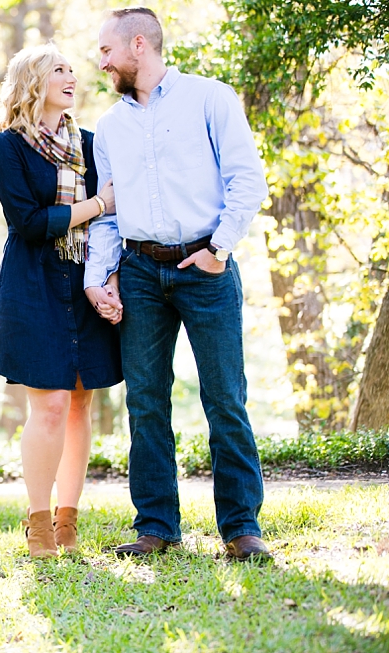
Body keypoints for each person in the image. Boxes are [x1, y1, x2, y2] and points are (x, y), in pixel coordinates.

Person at [85, 7, 272, 561]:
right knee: (144, 403)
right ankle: (156, 527)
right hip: (140, 272)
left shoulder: (210, 98)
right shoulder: (111, 128)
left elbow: (247, 178)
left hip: (205, 269)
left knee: (225, 399)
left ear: (137, 45)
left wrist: (219, 249)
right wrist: (101, 278)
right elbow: (109, 215)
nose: (100, 62)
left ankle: (241, 528)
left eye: (106, 51)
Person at [0, 43, 123, 559]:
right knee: (46, 406)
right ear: (32, 82)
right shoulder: (9, 148)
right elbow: (29, 223)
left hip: (85, 278)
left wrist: (109, 275)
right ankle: (39, 521)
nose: (71, 77)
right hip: (34, 286)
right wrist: (95, 204)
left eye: (72, 69)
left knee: (80, 402)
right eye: (58, 70)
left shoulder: (90, 144)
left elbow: (113, 221)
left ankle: (68, 519)